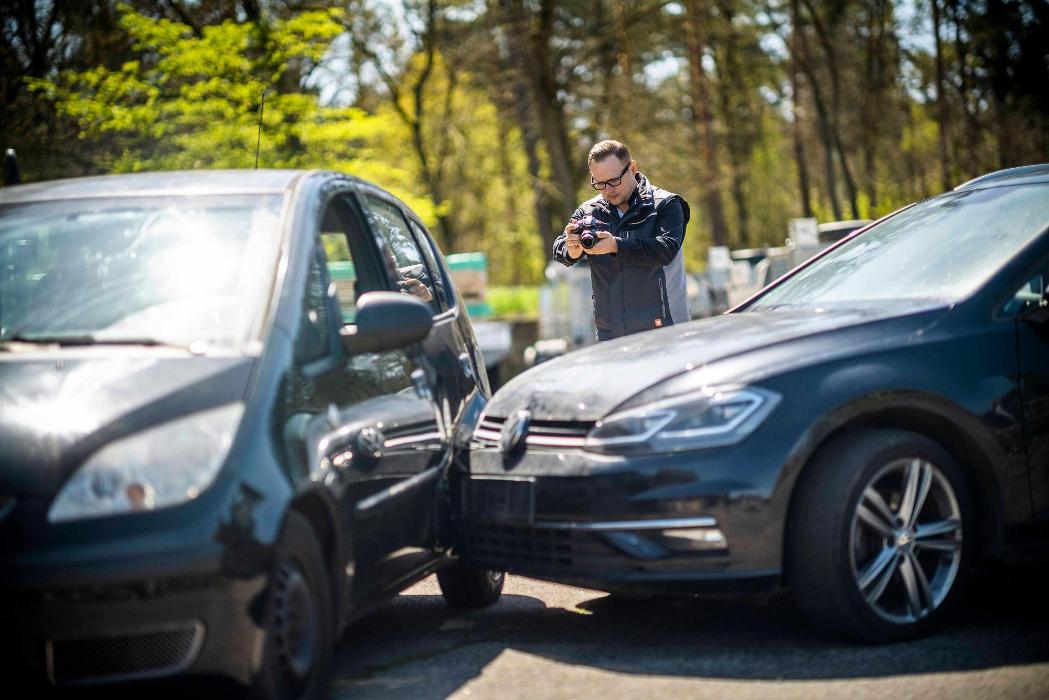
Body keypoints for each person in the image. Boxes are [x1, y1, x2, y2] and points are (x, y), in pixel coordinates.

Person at [553, 139, 691, 341]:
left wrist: (616, 246)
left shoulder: (666, 204)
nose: (607, 190)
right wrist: (571, 250)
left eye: (613, 181)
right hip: (611, 337)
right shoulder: (588, 211)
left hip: (666, 331)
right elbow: (559, 246)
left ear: (632, 168)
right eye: (599, 184)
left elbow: (665, 250)